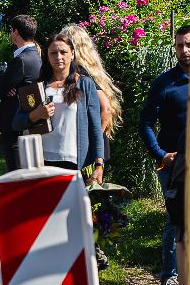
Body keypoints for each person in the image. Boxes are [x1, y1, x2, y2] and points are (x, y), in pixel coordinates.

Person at [140, 24, 190, 285]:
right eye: (180, 46)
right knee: (175, 219)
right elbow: (146, 122)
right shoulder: (165, 83)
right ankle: (171, 277)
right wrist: (161, 155)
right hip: (174, 167)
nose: (184, 51)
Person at [19, 34, 104, 180]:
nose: (58, 56)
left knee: (72, 203)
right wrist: (37, 114)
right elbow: (16, 122)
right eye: (53, 53)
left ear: (72, 54)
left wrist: (99, 165)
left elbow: (95, 128)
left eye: (63, 52)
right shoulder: (37, 87)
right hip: (41, 162)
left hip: (73, 162)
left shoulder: (84, 84)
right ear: (47, 56)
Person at [59, 23, 122, 156]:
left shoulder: (81, 73)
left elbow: (106, 109)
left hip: (89, 153)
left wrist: (92, 147)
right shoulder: (89, 71)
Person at [0, 15, 42, 171]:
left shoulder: (21, 60)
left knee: (16, 173)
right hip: (28, 123)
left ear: (15, 32)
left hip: (15, 125)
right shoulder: (37, 57)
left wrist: (2, 87)